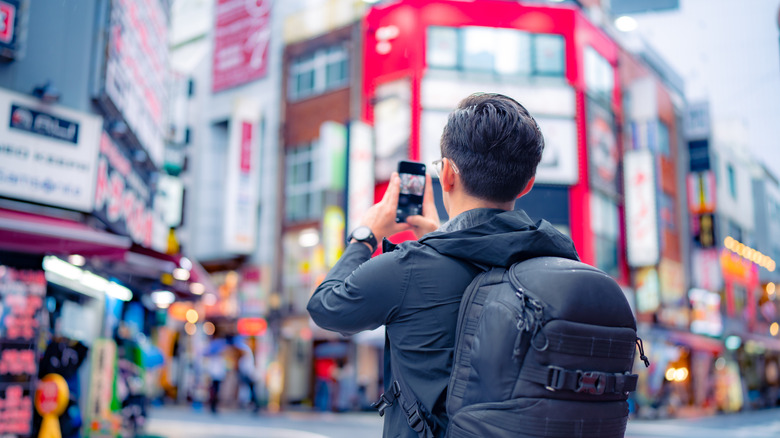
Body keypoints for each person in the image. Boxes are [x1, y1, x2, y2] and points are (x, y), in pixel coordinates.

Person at [307, 93, 579, 437]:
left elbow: (326, 307)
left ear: (447, 174)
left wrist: (366, 235)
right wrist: (438, 237)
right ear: (527, 185)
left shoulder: (409, 267)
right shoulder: (559, 262)